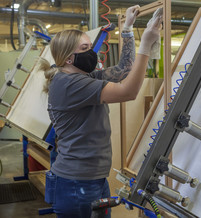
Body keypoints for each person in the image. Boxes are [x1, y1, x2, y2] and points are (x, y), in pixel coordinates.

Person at [38, 4, 162, 218]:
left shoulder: (82, 77)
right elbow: (128, 92)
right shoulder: (69, 84)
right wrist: (146, 47)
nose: (92, 53)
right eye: (85, 49)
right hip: (77, 183)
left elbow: (124, 69)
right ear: (68, 58)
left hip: (91, 179)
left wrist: (128, 30)